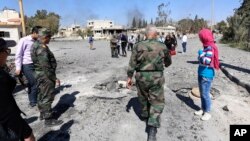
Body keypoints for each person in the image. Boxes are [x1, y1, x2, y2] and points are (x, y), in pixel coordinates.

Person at [126, 25, 172, 141]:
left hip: (141, 77)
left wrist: (129, 77)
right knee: (156, 102)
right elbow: (168, 62)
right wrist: (165, 64)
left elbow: (132, 63)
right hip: (156, 77)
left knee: (143, 97)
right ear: (155, 34)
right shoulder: (162, 46)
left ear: (145, 34)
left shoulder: (138, 46)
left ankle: (145, 115)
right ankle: (152, 130)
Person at [0, 38, 35, 141]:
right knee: (27, 134)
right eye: (7, 51)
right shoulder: (2, 77)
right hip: (7, 115)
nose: (7, 54)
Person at [31, 28, 63, 126]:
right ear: (45, 37)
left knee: (41, 95)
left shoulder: (36, 44)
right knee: (47, 97)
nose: (50, 39)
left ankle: (43, 114)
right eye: (49, 37)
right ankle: (48, 119)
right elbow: (46, 67)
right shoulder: (41, 48)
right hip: (45, 76)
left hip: (40, 74)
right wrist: (54, 78)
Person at [194, 28, 220, 121]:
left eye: (200, 37)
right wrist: (201, 55)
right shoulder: (206, 47)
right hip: (202, 73)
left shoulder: (210, 48)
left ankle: (208, 112)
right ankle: (203, 109)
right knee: (202, 93)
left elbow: (206, 61)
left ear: (204, 37)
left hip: (207, 74)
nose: (200, 39)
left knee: (205, 94)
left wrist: (200, 53)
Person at [15, 26, 41, 107]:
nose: (40, 36)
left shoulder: (38, 41)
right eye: (39, 34)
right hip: (27, 65)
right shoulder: (24, 40)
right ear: (34, 33)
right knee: (34, 82)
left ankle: (33, 99)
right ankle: (33, 102)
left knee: (32, 83)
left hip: (36, 64)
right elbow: (19, 54)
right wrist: (18, 68)